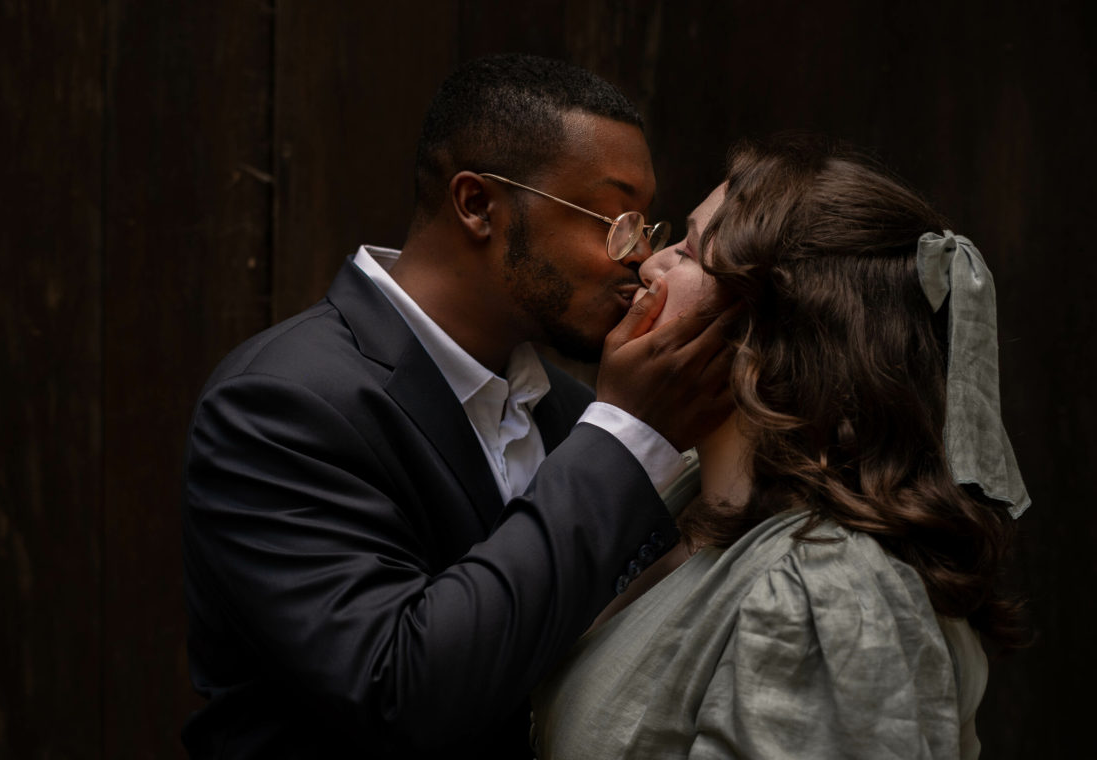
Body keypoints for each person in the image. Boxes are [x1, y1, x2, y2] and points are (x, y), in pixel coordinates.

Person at [180, 54, 734, 759]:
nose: (638, 259)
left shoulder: (570, 409)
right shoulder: (280, 405)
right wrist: (624, 439)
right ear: (477, 204)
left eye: (646, 227)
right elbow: (399, 689)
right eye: (613, 218)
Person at [531, 135, 1030, 760]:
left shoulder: (829, 592)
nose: (650, 263)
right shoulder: (684, 506)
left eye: (687, 251)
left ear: (770, 326)